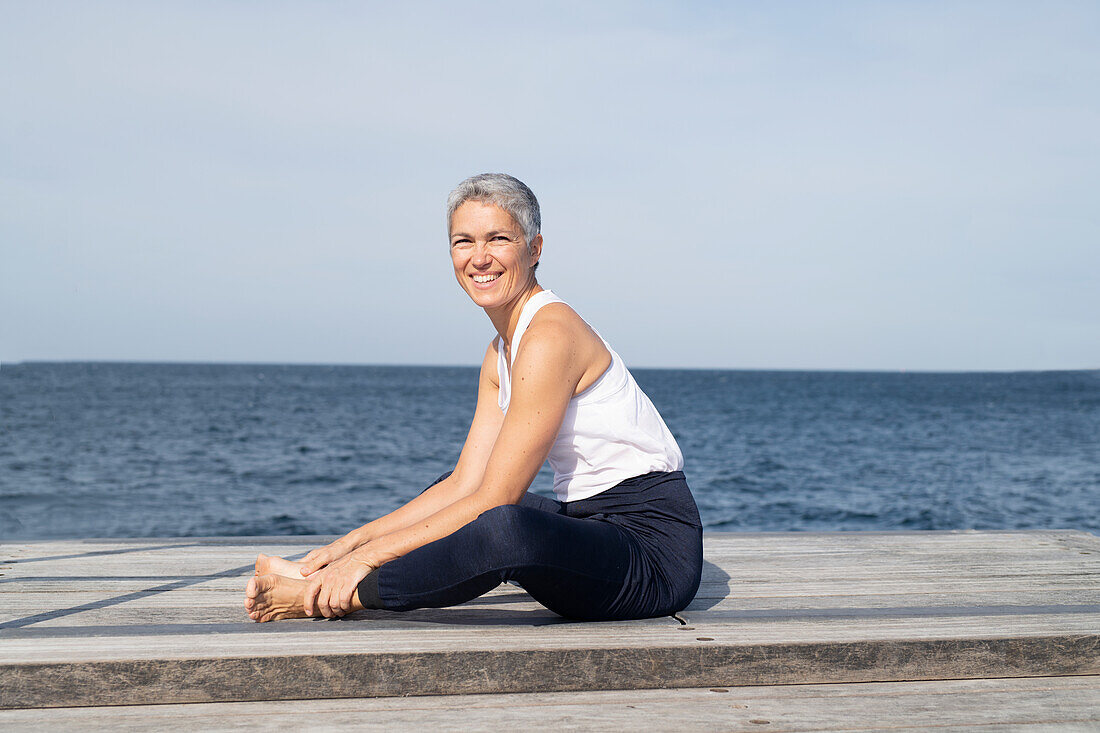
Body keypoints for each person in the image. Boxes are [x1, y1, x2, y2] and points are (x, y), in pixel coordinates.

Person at [245, 173, 702, 622]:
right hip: (589, 524)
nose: (479, 258)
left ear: (535, 248)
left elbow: (498, 496)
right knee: (450, 492)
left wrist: (366, 561)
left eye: (498, 239)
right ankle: (318, 573)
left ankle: (330, 594)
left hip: (651, 557)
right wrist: (345, 547)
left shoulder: (550, 335)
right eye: (464, 242)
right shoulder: (499, 352)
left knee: (505, 529)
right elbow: (466, 483)